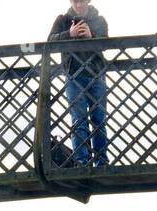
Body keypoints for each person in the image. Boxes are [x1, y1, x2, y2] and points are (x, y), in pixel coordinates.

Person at [47, 2, 110, 167]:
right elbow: (49, 42)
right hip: (74, 75)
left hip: (96, 74)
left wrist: (92, 36)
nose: (78, 4)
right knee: (78, 121)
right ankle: (82, 162)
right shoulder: (62, 20)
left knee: (99, 120)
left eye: (81, 0)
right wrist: (69, 33)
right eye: (75, 1)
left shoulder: (99, 20)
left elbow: (107, 43)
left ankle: (101, 162)